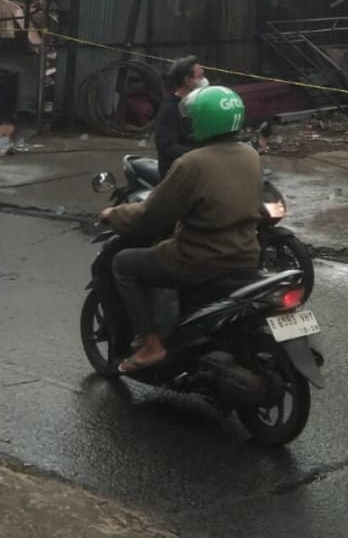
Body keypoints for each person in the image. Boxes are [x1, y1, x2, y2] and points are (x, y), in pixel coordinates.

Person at [101, 84, 262, 373]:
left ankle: (152, 346)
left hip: (198, 258)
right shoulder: (250, 155)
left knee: (124, 263)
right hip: (246, 254)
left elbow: (152, 213)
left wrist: (115, 214)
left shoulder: (192, 163)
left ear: (203, 120)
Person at [154, 55, 208, 178]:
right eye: (200, 76)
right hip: (179, 174)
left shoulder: (200, 104)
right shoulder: (170, 109)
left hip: (202, 168)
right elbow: (166, 146)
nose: (205, 80)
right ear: (187, 80)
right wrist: (198, 155)